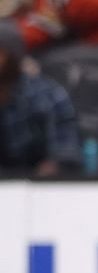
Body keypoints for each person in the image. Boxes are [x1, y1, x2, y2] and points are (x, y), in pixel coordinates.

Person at [0, 28, 79, 176]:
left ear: (14, 56)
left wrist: (48, 172)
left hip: (42, 187)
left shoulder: (48, 95)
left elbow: (65, 151)